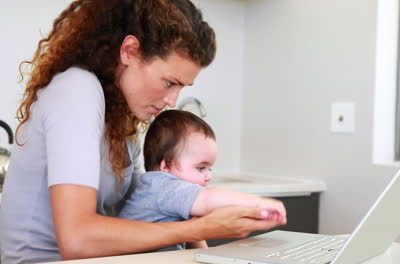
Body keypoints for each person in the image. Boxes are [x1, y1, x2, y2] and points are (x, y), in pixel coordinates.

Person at [0, 0, 285, 263]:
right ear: (130, 52)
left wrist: (196, 212)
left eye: (182, 88)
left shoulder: (121, 121)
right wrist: (197, 227)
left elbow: (148, 199)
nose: (172, 101)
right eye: (170, 82)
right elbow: (78, 239)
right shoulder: (77, 89)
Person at [118, 110, 287, 251]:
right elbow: (209, 197)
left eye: (209, 168)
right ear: (167, 165)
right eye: (201, 168)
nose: (208, 176)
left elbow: (195, 236)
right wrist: (259, 203)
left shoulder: (160, 191)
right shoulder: (164, 187)